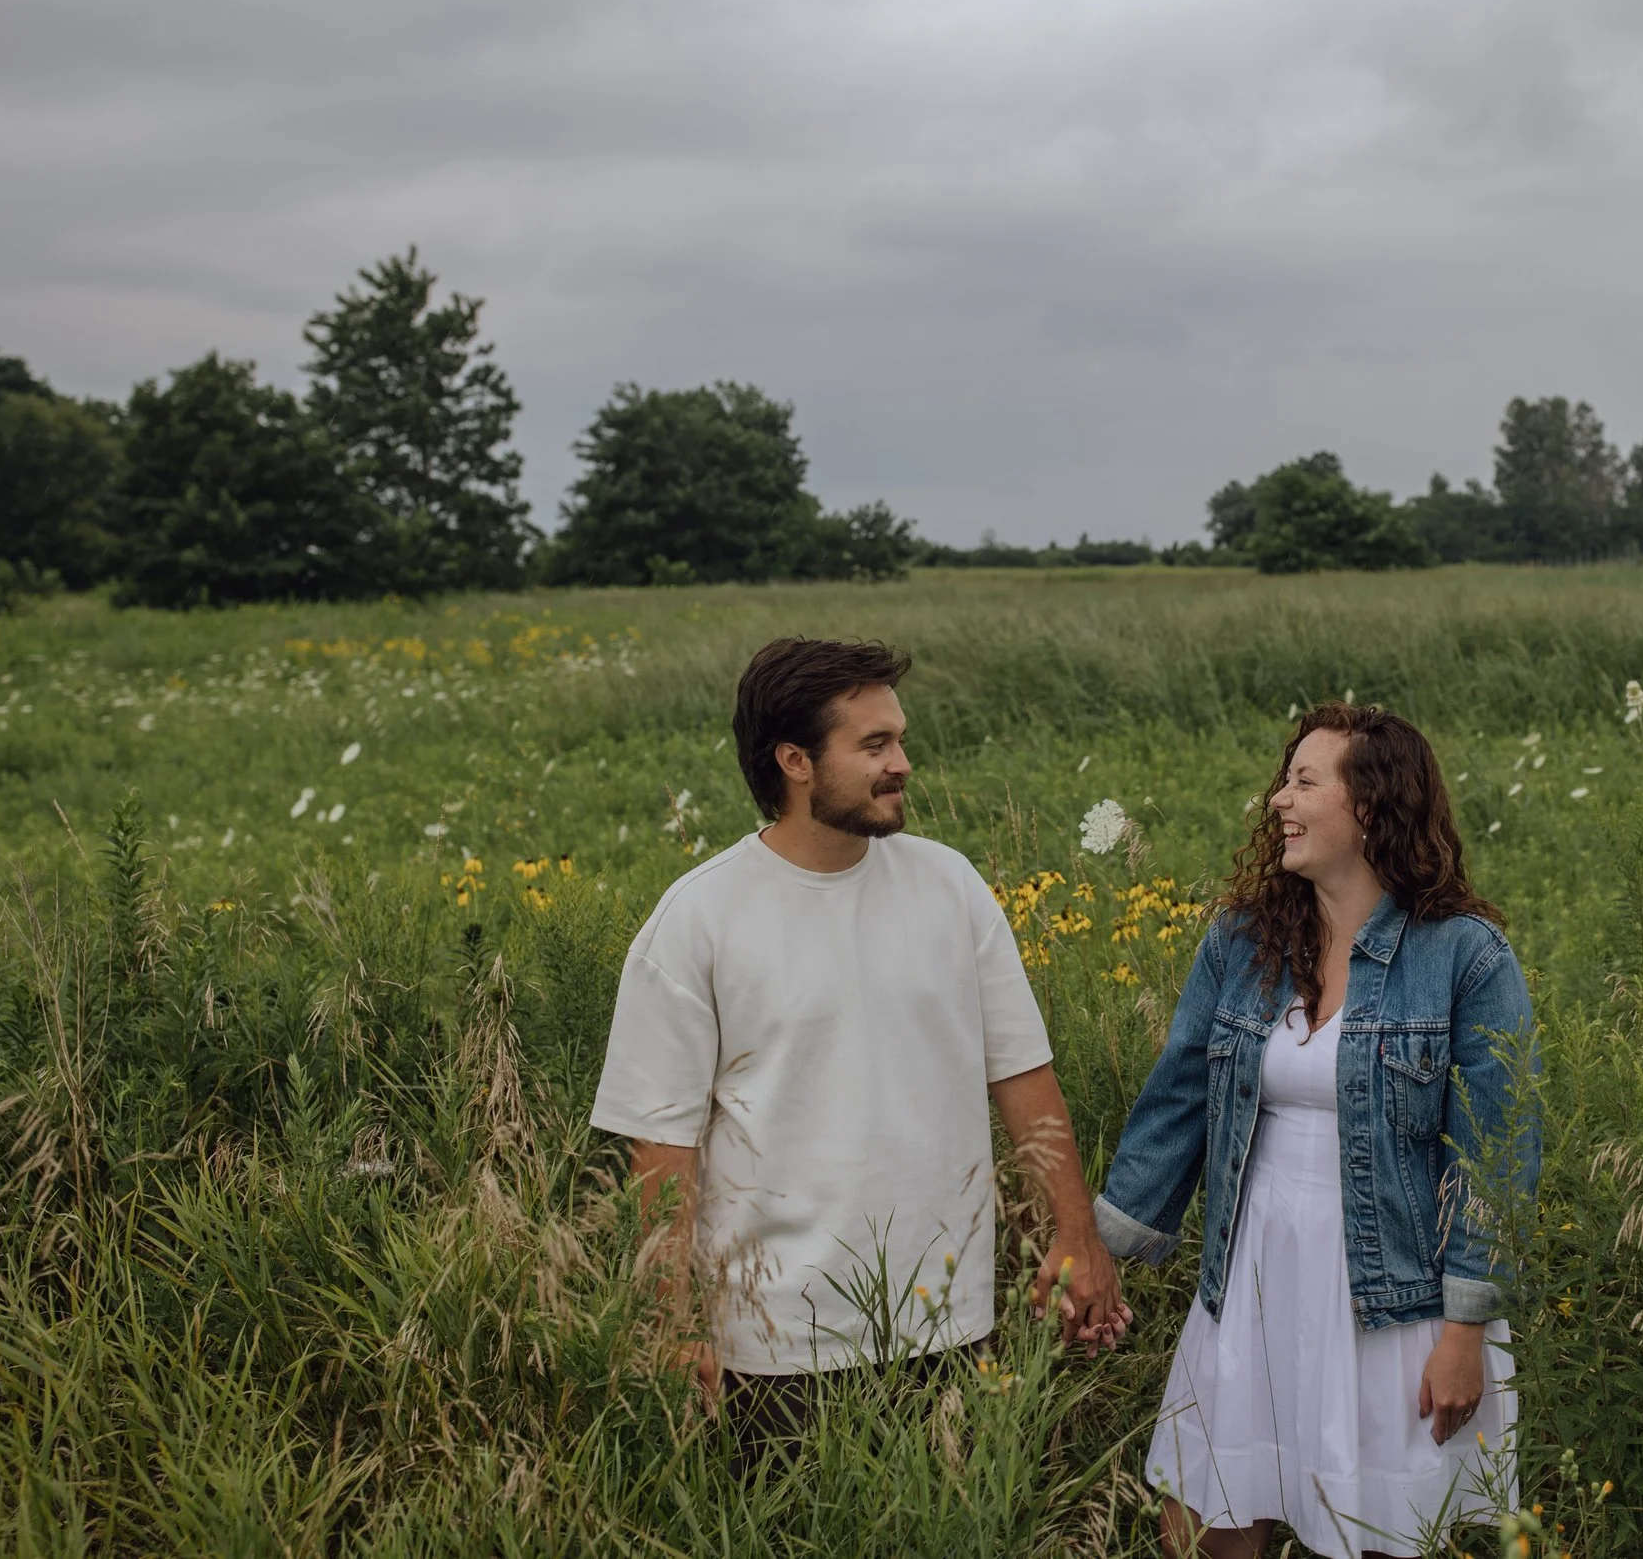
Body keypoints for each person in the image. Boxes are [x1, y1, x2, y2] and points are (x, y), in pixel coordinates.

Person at [589, 636, 1127, 1460]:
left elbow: (1024, 1075)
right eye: (874, 744)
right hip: (776, 1349)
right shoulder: (699, 919)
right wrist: (671, 1321)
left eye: (900, 739)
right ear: (795, 760)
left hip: (951, 1324)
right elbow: (662, 1149)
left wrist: (1076, 1233)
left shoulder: (949, 886)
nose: (902, 763)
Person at [1095, 703, 1539, 1559]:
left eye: (1305, 781)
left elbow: (1497, 1153)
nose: (1279, 800)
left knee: (1374, 1534)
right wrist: (1104, 1247)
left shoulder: (1465, 955)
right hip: (1253, 1276)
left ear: (1371, 806)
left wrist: (1464, 1331)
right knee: (1202, 1527)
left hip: (1394, 1298)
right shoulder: (1243, 940)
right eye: (1284, 780)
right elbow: (1178, 1096)